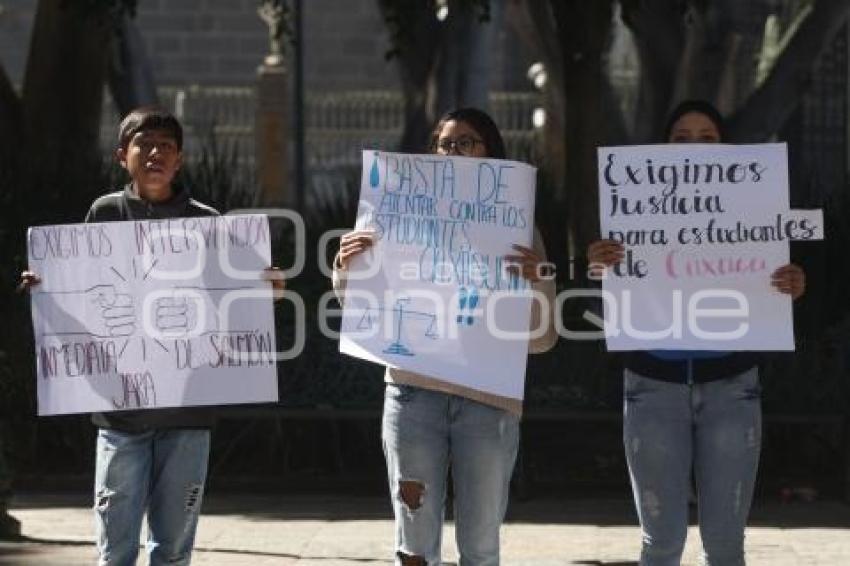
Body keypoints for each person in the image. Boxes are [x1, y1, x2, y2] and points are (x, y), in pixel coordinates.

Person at [19, 106, 284, 565]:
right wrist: (47, 289)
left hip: (188, 417)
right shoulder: (104, 214)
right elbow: (86, 294)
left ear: (179, 160)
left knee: (173, 550)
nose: (156, 152)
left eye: (166, 145)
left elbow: (233, 301)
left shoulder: (209, 222)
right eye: (145, 143)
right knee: (114, 550)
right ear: (124, 155)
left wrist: (267, 292)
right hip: (121, 418)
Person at [334, 107, 557, 566]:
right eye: (445, 144)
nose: (453, 152)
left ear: (490, 152)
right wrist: (346, 268)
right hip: (412, 396)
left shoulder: (520, 234)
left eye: (466, 143)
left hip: (489, 401)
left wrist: (538, 281)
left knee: (479, 545)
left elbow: (541, 340)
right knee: (414, 546)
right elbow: (365, 310)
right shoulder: (394, 218)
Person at [587, 99, 806, 566]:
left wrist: (790, 282)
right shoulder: (634, 203)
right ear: (662, 147)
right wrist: (599, 265)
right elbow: (615, 285)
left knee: (725, 546)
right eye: (681, 138)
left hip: (733, 388)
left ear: (726, 149)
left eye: (707, 138)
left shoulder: (752, 210)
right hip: (651, 387)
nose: (694, 148)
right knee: (660, 543)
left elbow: (768, 275)